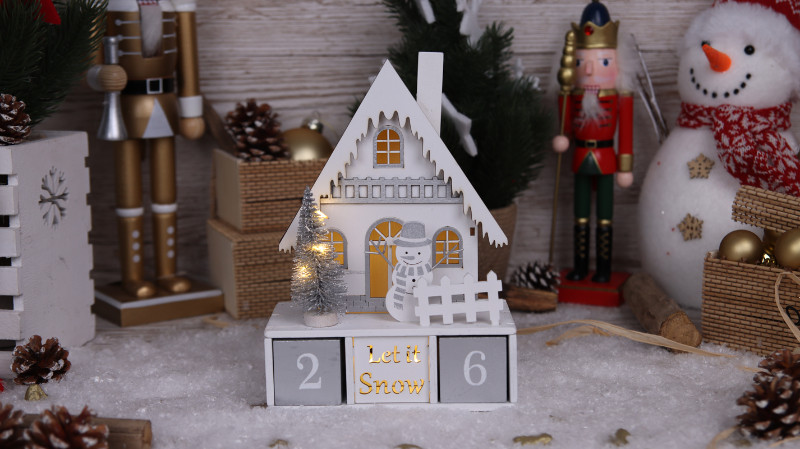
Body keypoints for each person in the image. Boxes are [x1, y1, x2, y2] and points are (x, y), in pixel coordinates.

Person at [552, 0, 633, 283]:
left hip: (607, 160)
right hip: (580, 159)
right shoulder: (570, 96)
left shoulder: (621, 98)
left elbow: (626, 134)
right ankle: (580, 267)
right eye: (580, 63)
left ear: (617, 65)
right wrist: (562, 137)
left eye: (603, 62)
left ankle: (603, 269)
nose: (588, 71)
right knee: (580, 215)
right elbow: (565, 128)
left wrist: (625, 166)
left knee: (605, 217)